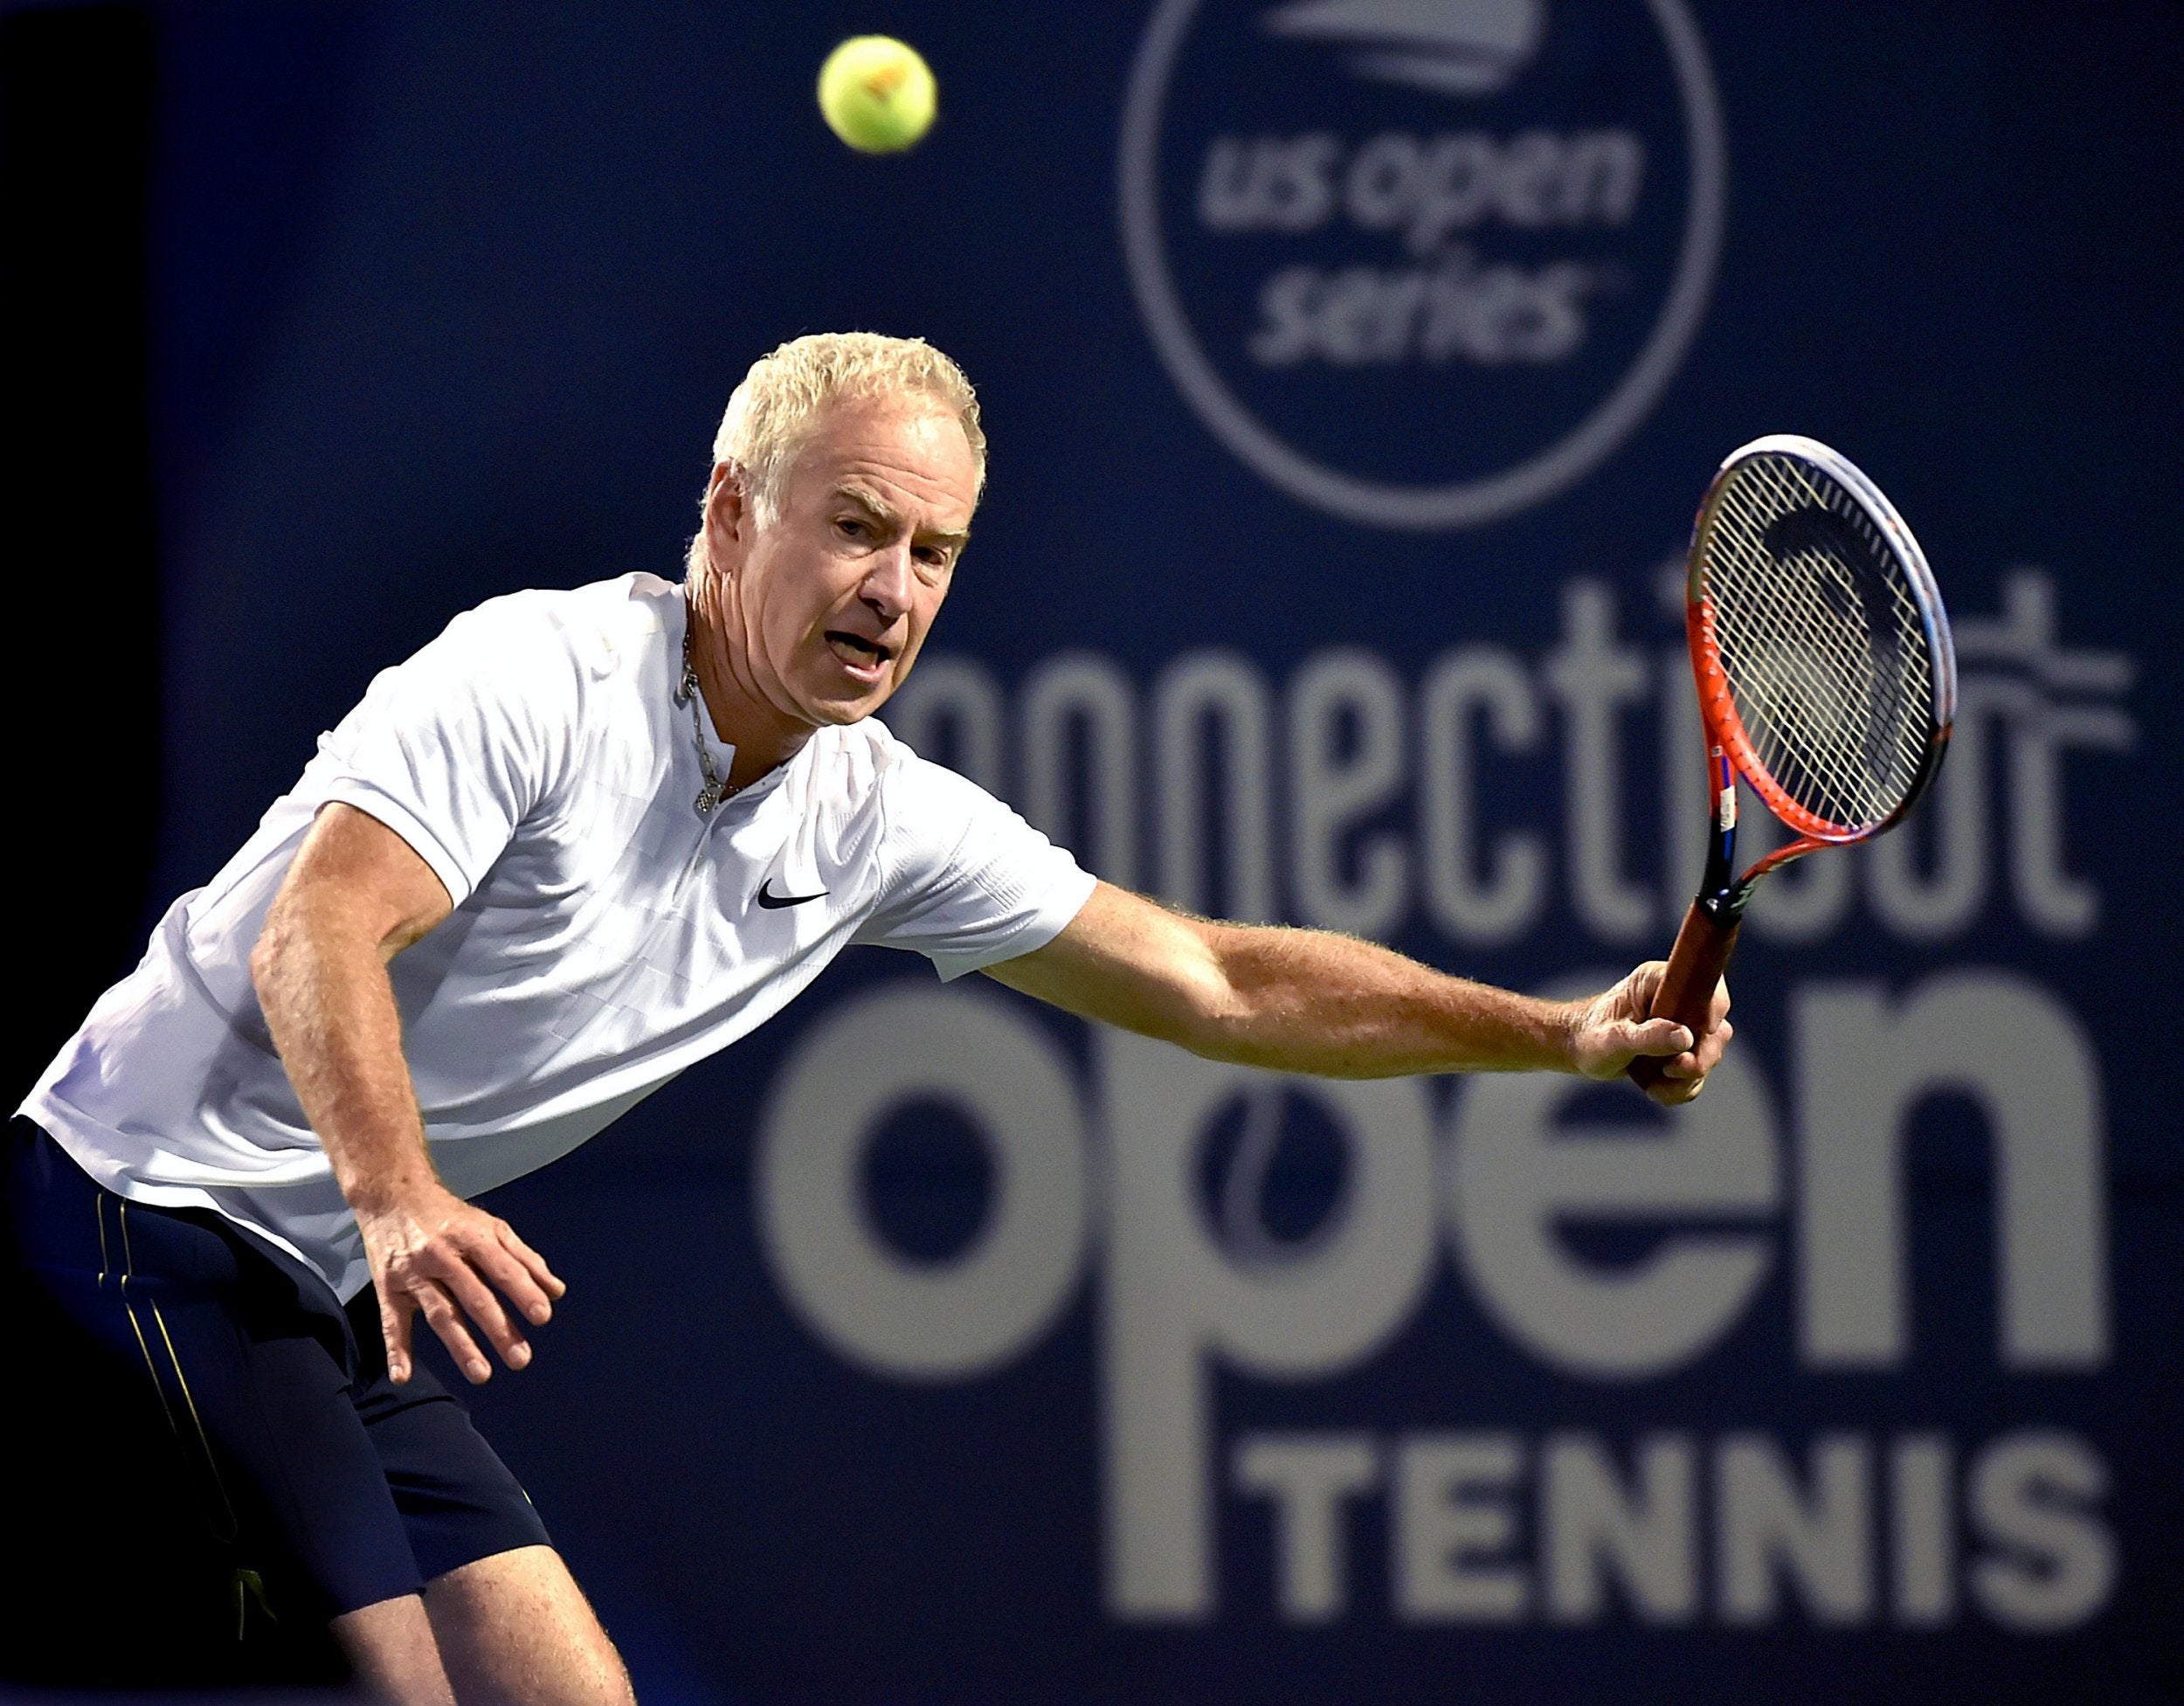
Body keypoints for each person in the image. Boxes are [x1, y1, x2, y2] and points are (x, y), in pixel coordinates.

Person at [10, 332, 1730, 1703]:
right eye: (854, 525)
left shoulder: (874, 818)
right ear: (730, 509)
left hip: (334, 1287)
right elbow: (319, 926)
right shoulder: (531, 675)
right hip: (134, 1197)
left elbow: (1217, 981)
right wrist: (397, 1194)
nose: (893, 589)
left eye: (933, 550)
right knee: (406, 1678)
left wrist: (1557, 1033)